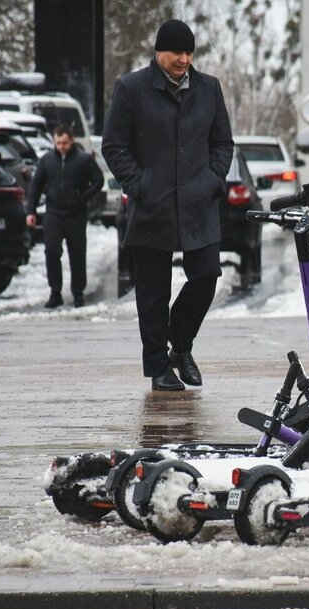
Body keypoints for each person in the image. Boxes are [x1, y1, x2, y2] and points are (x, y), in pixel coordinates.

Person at [101, 19, 234, 392]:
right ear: (158, 51)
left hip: (198, 202)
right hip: (152, 205)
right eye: (177, 52)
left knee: (207, 275)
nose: (184, 59)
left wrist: (211, 179)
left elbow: (223, 143)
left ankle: (182, 346)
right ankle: (159, 367)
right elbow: (113, 145)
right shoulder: (131, 88)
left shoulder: (209, 89)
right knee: (153, 292)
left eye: (189, 52)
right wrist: (140, 184)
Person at [26, 125, 104, 309]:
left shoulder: (84, 159)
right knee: (51, 251)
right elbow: (36, 185)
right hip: (53, 213)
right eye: (58, 143)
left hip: (76, 214)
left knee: (77, 255)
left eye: (65, 143)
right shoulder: (46, 160)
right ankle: (55, 292)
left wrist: (82, 196)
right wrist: (31, 210)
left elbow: (98, 181)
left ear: (72, 141)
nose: (62, 146)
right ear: (54, 141)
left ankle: (78, 293)